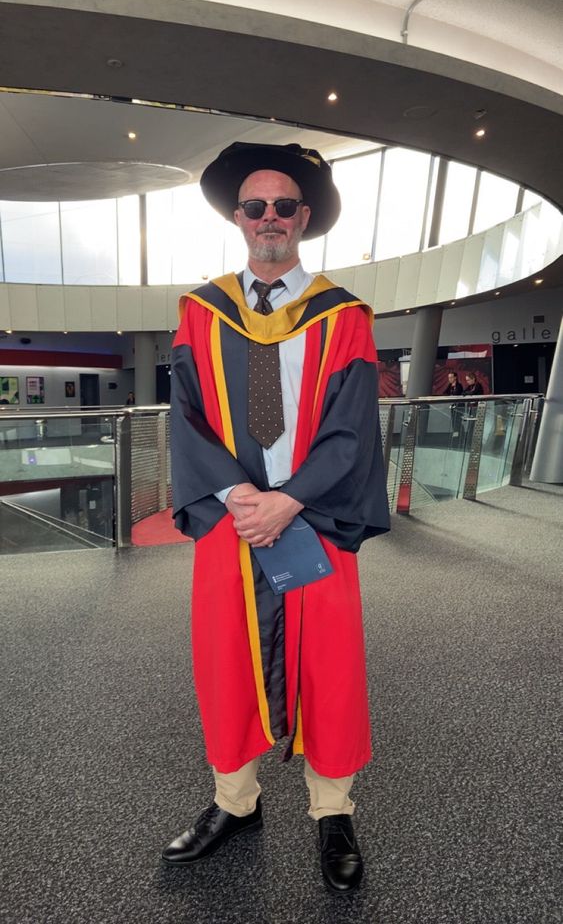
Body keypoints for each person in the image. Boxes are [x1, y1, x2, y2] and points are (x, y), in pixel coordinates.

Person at [164, 141, 390, 894]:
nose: (270, 218)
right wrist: (237, 497)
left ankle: (333, 813)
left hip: (314, 516)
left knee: (327, 665)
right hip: (231, 523)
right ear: (238, 218)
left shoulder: (344, 315)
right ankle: (236, 802)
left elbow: (352, 426)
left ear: (303, 219)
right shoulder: (199, 313)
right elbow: (186, 418)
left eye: (284, 206)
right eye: (256, 206)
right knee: (226, 657)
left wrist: (291, 498)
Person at [443, 370, 464, 438]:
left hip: (459, 406)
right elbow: (445, 392)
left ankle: (460, 435)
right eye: (449, 378)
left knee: (458, 421)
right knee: (453, 421)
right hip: (453, 406)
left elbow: (457, 394)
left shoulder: (459, 385)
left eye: (451, 377)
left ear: (455, 378)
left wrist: (451, 395)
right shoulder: (450, 385)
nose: (450, 379)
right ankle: (455, 435)